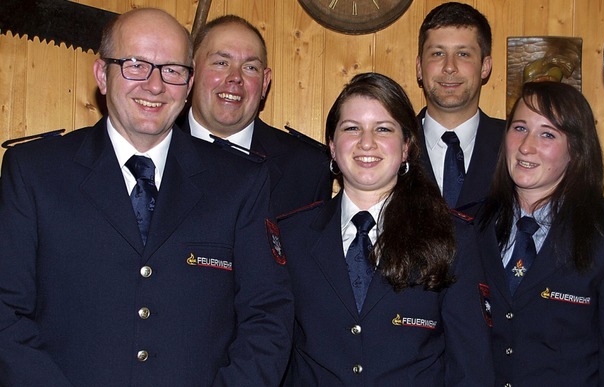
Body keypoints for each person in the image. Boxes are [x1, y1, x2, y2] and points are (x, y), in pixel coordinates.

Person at [0, 8, 293, 386]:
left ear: (188, 85)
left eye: (171, 70)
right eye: (135, 64)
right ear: (102, 75)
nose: (155, 86)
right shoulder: (35, 172)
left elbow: (267, 315)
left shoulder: (239, 183)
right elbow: (6, 311)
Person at [278, 72, 493, 385]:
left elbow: (471, 368)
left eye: (383, 129)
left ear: (405, 147)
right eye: (352, 128)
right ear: (333, 147)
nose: (367, 142)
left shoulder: (452, 237)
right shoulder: (291, 236)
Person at [477, 81, 604, 386]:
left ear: (576, 150)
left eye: (547, 134)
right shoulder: (472, 227)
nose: (527, 146)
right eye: (520, 128)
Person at [181, 15, 332, 216]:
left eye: (250, 67)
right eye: (221, 63)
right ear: (191, 73)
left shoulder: (307, 170)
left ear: (265, 82)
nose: (235, 77)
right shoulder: (151, 152)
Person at [416, 2, 505, 210]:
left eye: (463, 54)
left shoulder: (515, 146)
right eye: (438, 53)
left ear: (485, 67)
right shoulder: (391, 145)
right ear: (419, 67)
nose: (449, 67)